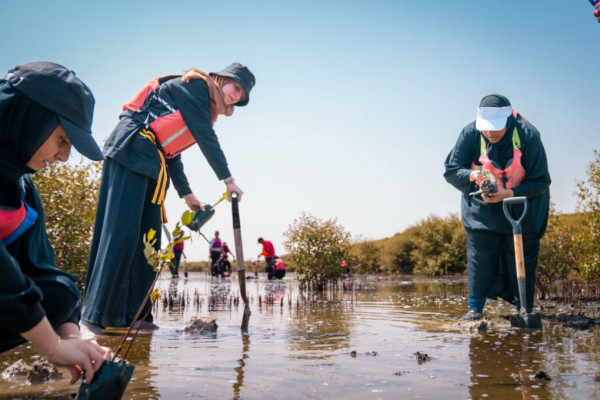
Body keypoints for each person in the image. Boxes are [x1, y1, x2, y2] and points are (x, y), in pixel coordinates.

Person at [82, 63, 255, 329]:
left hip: (153, 158)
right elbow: (206, 138)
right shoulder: (197, 87)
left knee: (147, 239)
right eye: (237, 87)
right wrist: (228, 180)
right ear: (221, 78)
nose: (236, 95)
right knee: (122, 232)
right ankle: (97, 316)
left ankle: (134, 317)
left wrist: (188, 197)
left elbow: (171, 154)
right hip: (132, 147)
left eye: (242, 95)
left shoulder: (203, 107)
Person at [0, 61, 111, 383]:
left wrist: (73, 341)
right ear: (30, 119)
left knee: (59, 294)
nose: (65, 157)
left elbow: (44, 270)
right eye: (63, 139)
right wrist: (51, 347)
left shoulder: (22, 188)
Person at [444, 94, 550, 320]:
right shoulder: (470, 133)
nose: (490, 133)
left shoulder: (528, 135)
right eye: (486, 129)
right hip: (482, 211)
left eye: (496, 129)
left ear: (508, 122)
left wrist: (506, 194)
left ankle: (524, 310)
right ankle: (475, 311)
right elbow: (452, 170)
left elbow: (541, 181)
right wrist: (473, 175)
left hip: (524, 207)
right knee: (480, 258)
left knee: (520, 259)